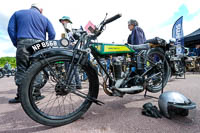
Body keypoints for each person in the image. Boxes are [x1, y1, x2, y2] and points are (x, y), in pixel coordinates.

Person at [7, 3, 56, 103]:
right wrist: (46, 46)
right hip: (39, 44)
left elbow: (10, 29)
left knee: (22, 69)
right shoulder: (44, 18)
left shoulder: (18, 13)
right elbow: (52, 33)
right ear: (40, 10)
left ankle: (21, 96)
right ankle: (35, 94)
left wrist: (17, 43)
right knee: (36, 69)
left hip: (23, 42)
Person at [59, 16, 82, 89]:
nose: (62, 22)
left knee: (69, 68)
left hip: (69, 49)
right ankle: (78, 84)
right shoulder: (70, 28)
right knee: (74, 68)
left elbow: (70, 39)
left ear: (66, 21)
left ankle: (72, 86)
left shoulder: (67, 28)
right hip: (73, 49)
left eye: (63, 21)